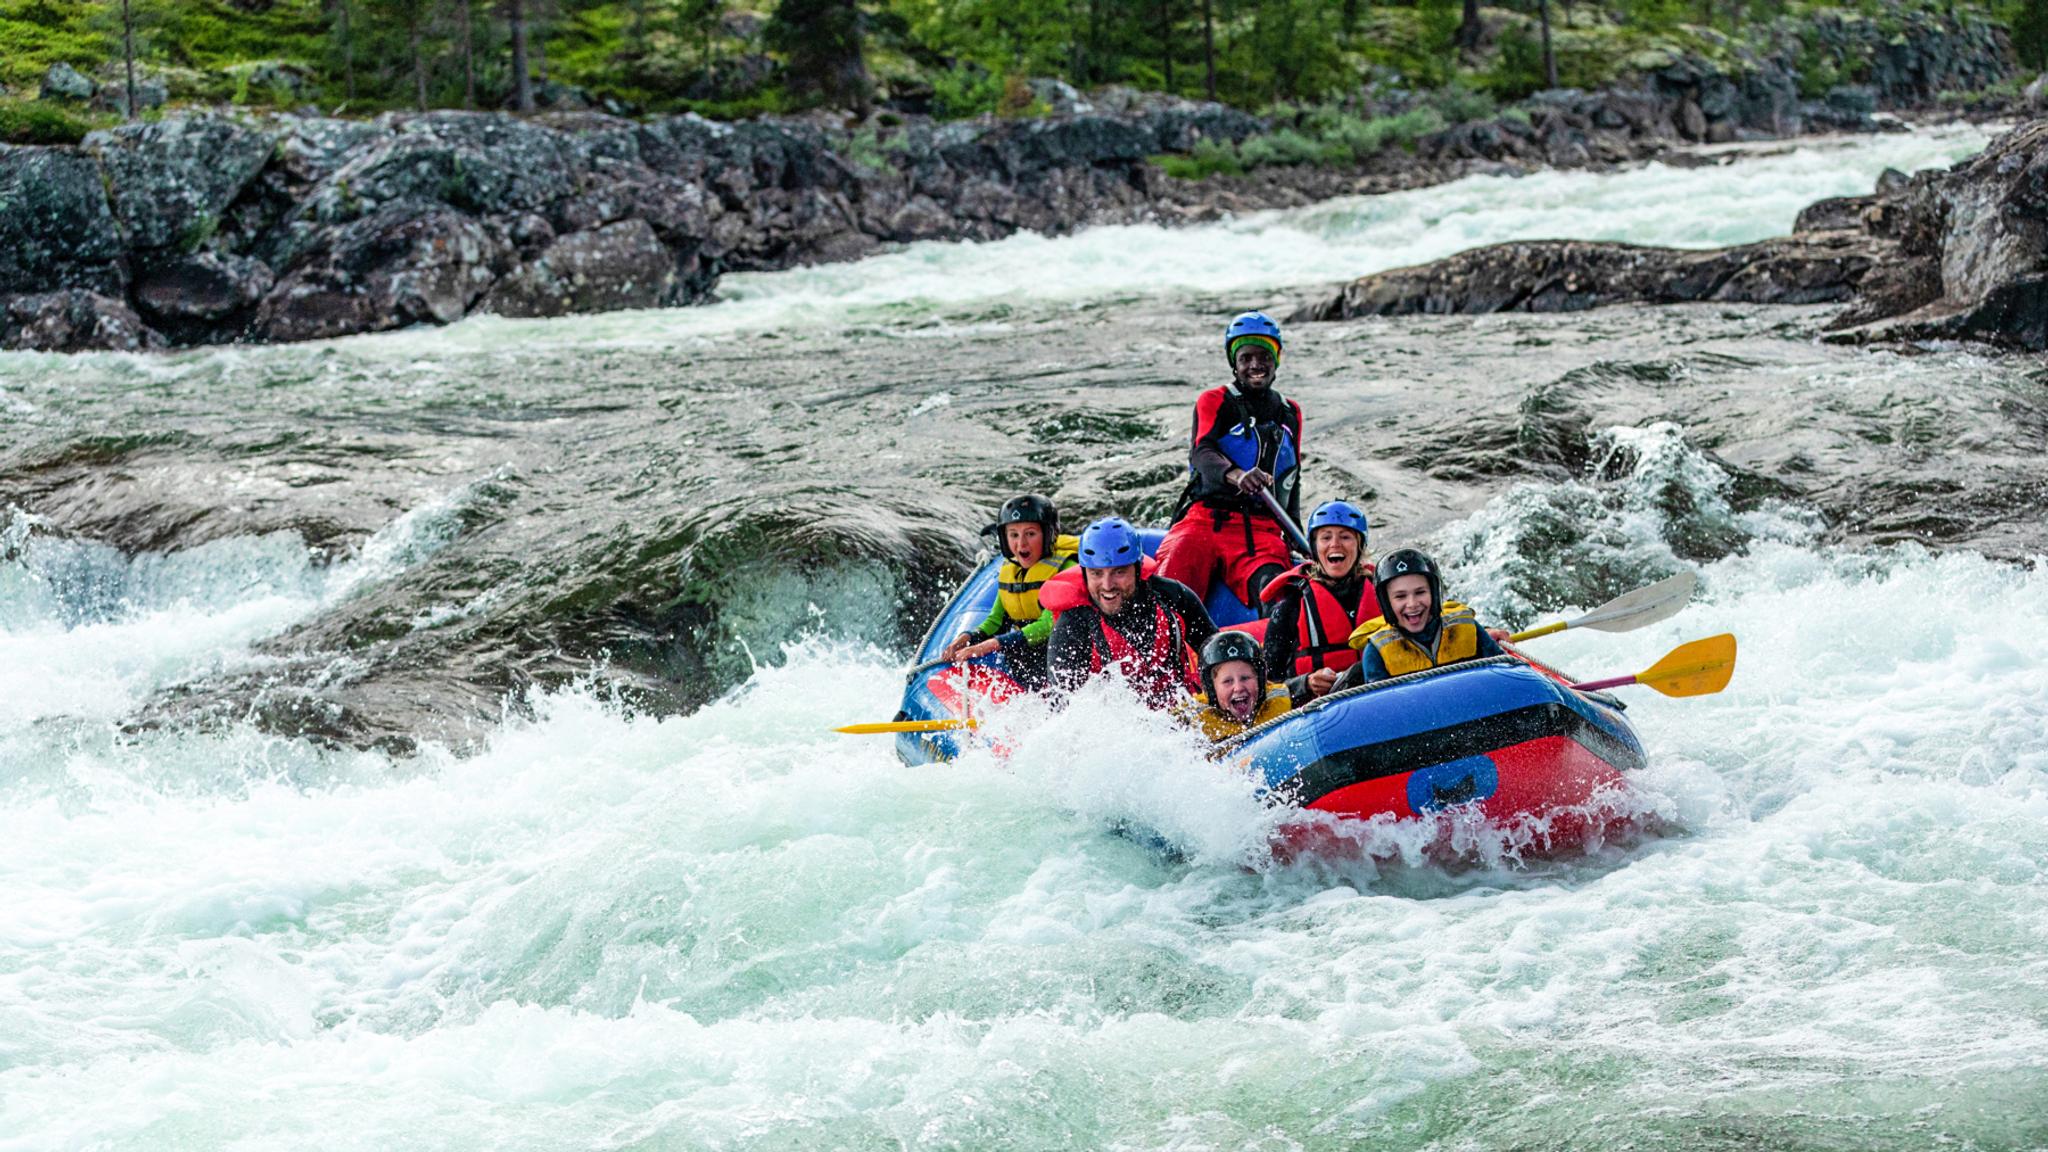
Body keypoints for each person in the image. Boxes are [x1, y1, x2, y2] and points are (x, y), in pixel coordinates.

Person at [1154, 311, 1304, 611]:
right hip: (1206, 521)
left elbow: (1291, 479)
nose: (1255, 365)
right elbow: (1202, 451)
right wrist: (1238, 475)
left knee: (1281, 598)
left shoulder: (1291, 413)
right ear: (1234, 363)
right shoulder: (1215, 400)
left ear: (1278, 358)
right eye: (1246, 357)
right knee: (1169, 592)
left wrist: (1299, 540)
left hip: (1261, 529)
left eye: (1264, 356)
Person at [1047, 516, 1218, 709]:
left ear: (1137, 569)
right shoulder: (1073, 624)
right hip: (1119, 726)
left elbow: (1218, 656)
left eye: (1119, 572)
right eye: (1097, 573)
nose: (1107, 585)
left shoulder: (1172, 597)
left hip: (1182, 711)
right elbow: (1063, 706)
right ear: (1084, 573)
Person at [941, 494, 1076, 688]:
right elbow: (995, 620)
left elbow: (1048, 625)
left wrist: (992, 645)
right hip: (1026, 661)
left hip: (1059, 661)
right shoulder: (1010, 572)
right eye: (1013, 535)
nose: (1021, 544)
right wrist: (968, 637)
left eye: (1030, 534)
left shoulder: (1066, 568)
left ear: (1048, 535)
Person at [1259, 499, 1379, 702]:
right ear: (1314, 547)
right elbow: (1267, 684)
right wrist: (1304, 683)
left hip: (1379, 696)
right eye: (1326, 537)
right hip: (1321, 709)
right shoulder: (1292, 605)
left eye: (1345, 536)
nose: (1335, 544)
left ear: (1360, 546)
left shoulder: (1383, 592)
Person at [1335, 548, 1505, 689]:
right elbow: (1381, 710)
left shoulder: (1468, 628)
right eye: (1400, 596)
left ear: (1434, 593)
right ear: (1386, 603)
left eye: (1420, 592)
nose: (1412, 604)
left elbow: (1505, 673)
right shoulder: (1376, 651)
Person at [1178, 631, 1293, 743]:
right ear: (1211, 689)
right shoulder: (1190, 718)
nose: (1238, 688)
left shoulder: (1279, 697)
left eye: (1245, 678)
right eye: (1227, 681)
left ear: (1260, 680)